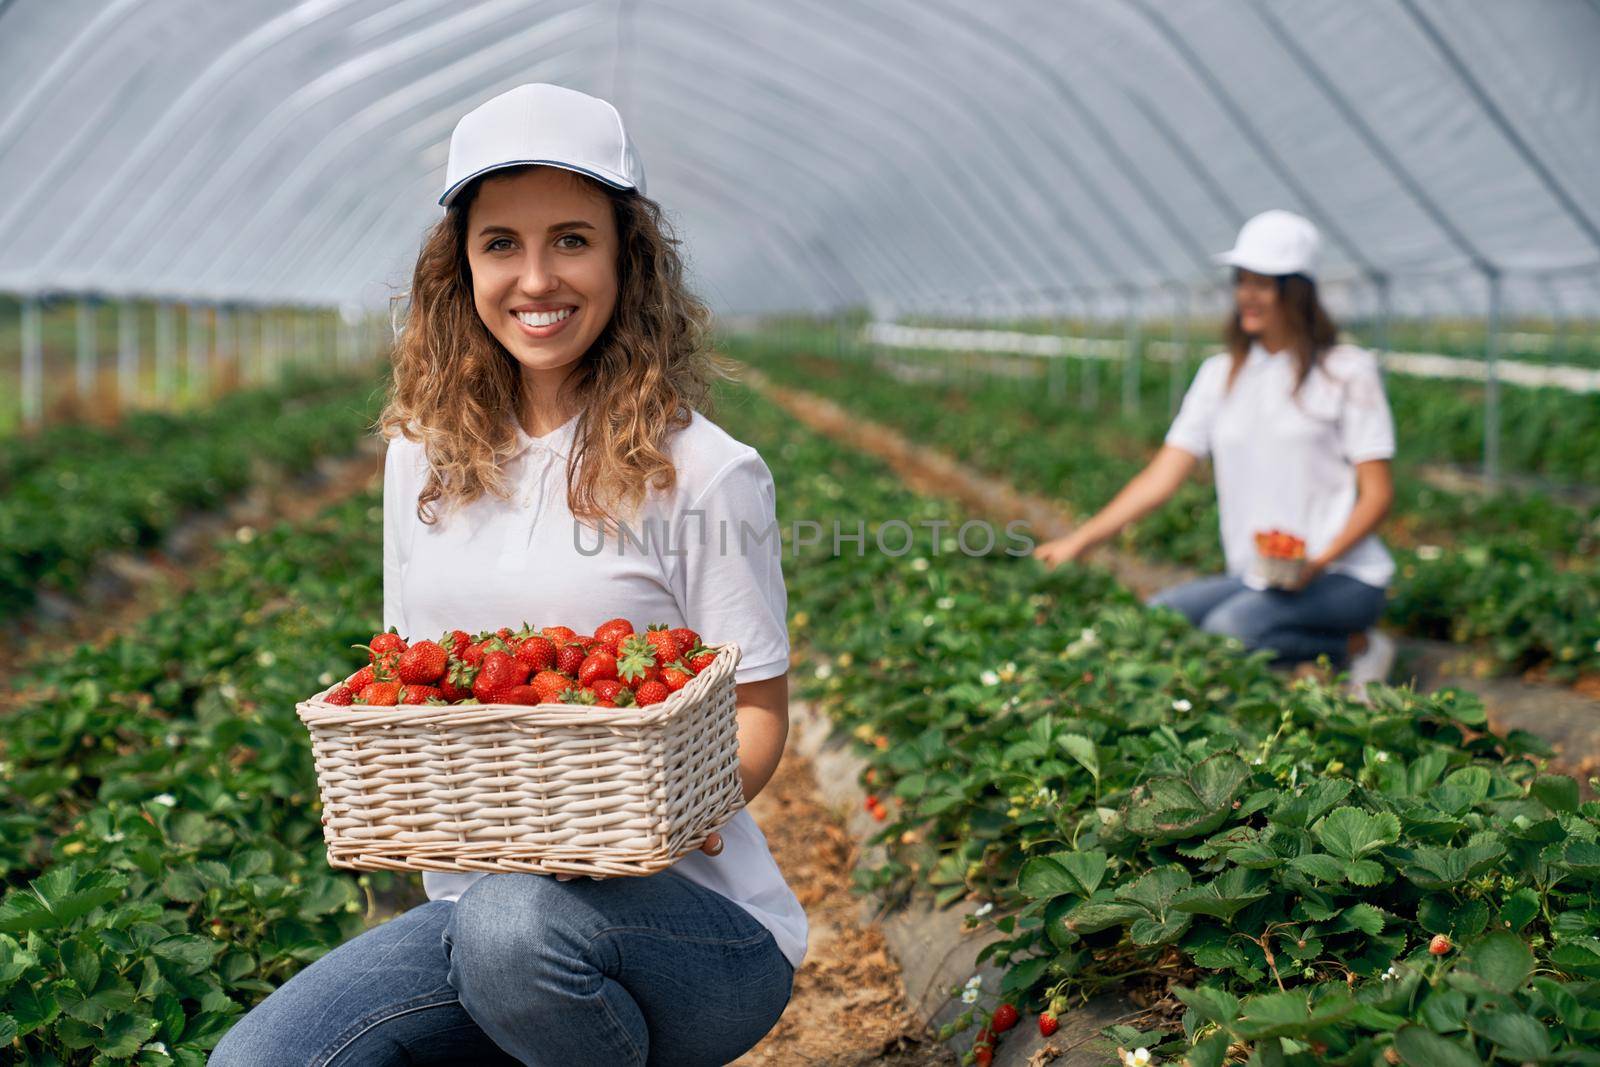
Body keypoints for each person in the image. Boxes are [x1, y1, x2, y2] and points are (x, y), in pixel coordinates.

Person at [211, 83, 803, 1067]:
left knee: (514, 932)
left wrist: (677, 801)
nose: (536, 277)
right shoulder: (420, 461)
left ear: (627, 257)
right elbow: (414, 680)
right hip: (474, 907)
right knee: (261, 1059)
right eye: (502, 244)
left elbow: (759, 714)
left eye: (571, 239)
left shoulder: (705, 471)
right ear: (462, 266)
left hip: (693, 931)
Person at [1033, 210, 1396, 686]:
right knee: (1158, 620)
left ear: (1297, 291)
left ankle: (1356, 646)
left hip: (1343, 577)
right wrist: (1080, 541)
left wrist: (1319, 561)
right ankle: (1308, 641)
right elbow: (1162, 475)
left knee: (1228, 631)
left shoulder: (1346, 371)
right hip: (1257, 574)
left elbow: (1378, 493)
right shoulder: (1220, 375)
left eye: (1263, 283)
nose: (1247, 294)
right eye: (1241, 280)